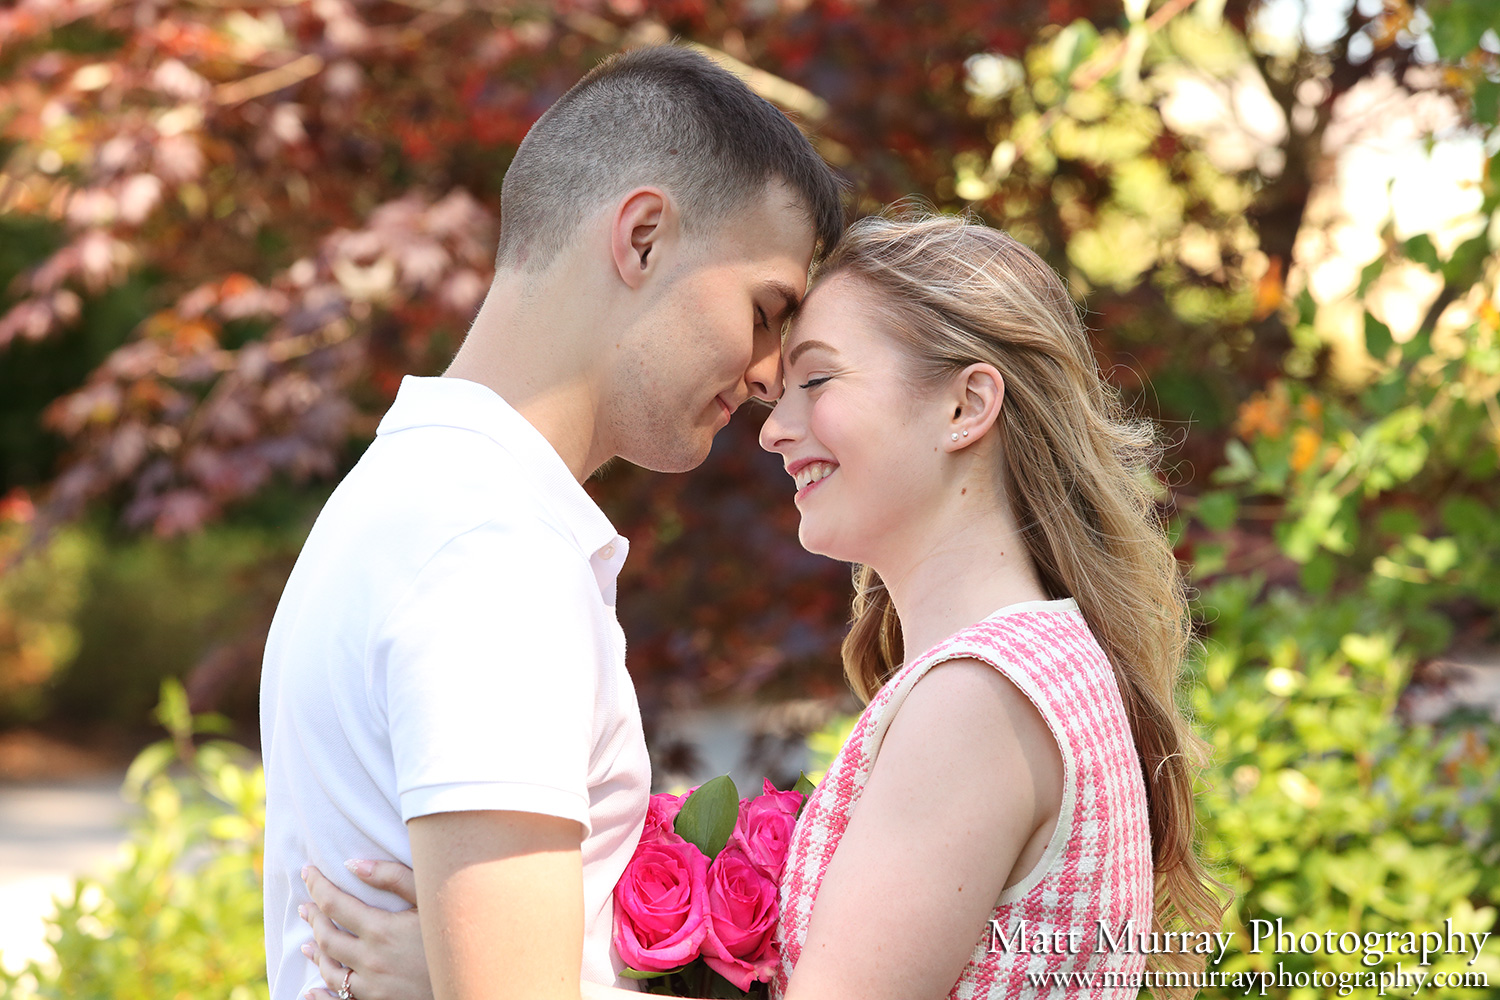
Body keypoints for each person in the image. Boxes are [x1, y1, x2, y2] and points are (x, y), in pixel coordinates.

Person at [298, 210, 1224, 1000]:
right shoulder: (1036, 665)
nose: (774, 427)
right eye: (778, 393)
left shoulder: (978, 701)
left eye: (818, 380)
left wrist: (473, 978)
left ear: (965, 406)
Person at [258, 43, 843, 1000]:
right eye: (767, 308)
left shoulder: (408, 493)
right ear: (643, 236)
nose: (773, 371)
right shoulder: (493, 555)